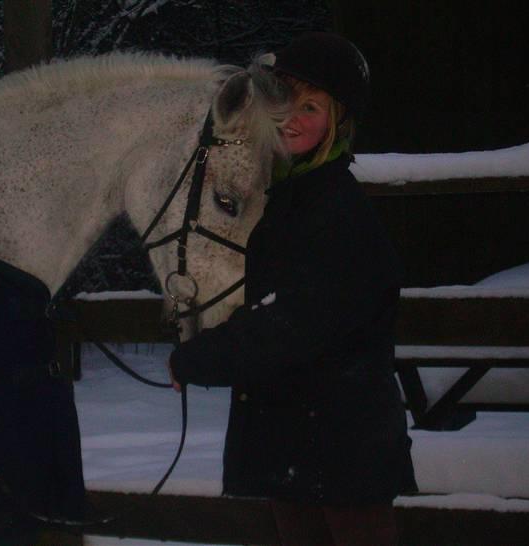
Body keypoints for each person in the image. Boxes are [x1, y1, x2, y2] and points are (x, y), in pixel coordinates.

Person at [168, 31, 417, 546]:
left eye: (311, 107)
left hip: (343, 448)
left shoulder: (336, 212)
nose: (292, 119)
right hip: (297, 441)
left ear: (339, 120)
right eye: (283, 103)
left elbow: (291, 325)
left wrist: (198, 359)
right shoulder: (289, 200)